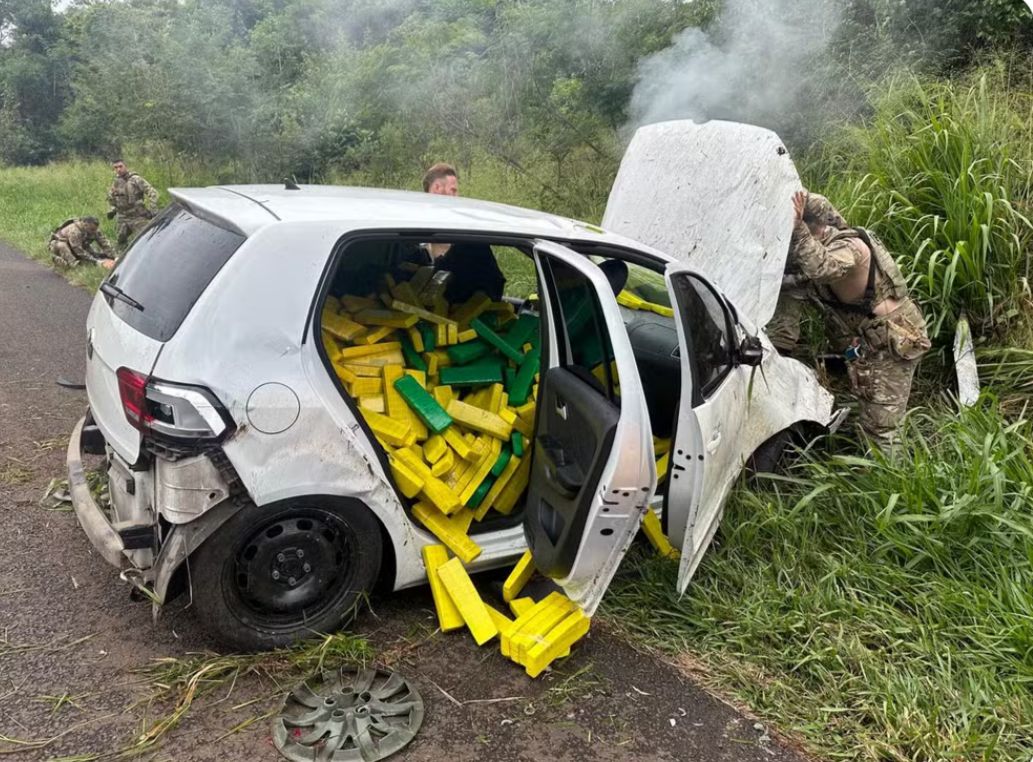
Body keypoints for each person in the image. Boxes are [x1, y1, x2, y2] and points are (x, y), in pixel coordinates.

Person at [769, 190, 931, 447]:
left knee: (882, 429)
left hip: (893, 340)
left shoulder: (849, 247)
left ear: (818, 230)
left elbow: (821, 268)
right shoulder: (826, 236)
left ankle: (892, 481)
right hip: (874, 341)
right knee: (873, 412)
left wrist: (798, 228)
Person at [414, 162, 506, 302]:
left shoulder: (467, 237)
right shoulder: (412, 231)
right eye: (453, 190)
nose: (457, 196)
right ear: (437, 188)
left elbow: (494, 283)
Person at [106, 159, 158, 248]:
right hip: (122, 217)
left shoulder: (135, 179)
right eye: (115, 167)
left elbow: (152, 193)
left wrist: (153, 208)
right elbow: (113, 199)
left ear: (125, 166)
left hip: (137, 216)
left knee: (147, 239)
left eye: (120, 166)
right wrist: (112, 210)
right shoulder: (116, 182)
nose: (118, 169)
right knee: (120, 242)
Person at [49, 217, 116, 269]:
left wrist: (114, 256)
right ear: (85, 225)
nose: (94, 232)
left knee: (95, 255)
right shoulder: (75, 231)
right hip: (61, 245)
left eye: (95, 229)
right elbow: (78, 249)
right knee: (62, 246)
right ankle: (71, 263)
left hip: (80, 245)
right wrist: (95, 262)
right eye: (92, 229)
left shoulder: (93, 230)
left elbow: (104, 243)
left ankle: (82, 260)